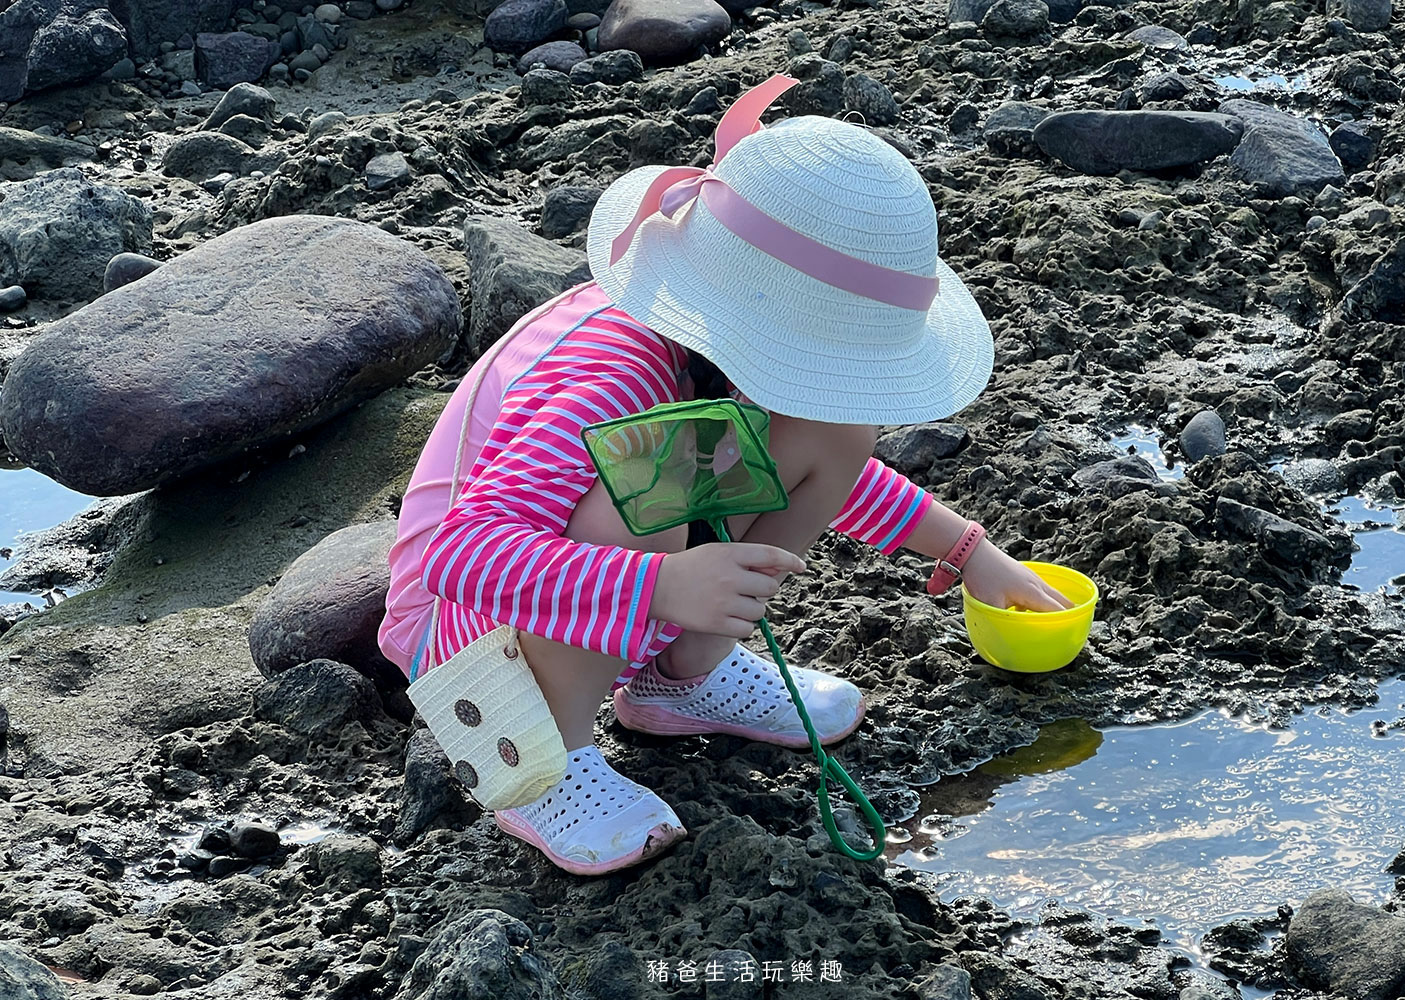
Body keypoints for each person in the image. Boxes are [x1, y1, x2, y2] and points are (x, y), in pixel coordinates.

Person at [377, 74, 1072, 877]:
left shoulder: (721, 349)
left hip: (583, 584)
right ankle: (548, 768)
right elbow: (461, 555)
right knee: (654, 484)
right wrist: (662, 589)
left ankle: (679, 680)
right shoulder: (612, 378)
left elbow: (827, 466)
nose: (826, 375)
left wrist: (970, 555)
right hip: (471, 642)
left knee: (832, 431)